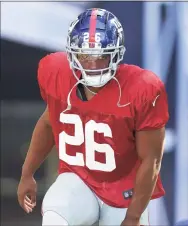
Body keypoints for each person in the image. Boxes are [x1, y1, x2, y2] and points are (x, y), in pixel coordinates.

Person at [17, 8, 169, 226]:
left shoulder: (142, 89)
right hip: (78, 181)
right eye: (86, 56)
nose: (93, 64)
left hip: (123, 190)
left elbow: (151, 159)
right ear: (73, 54)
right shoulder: (57, 74)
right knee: (54, 215)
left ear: (116, 54)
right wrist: (27, 173)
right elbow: (49, 123)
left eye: (102, 56)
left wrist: (134, 216)